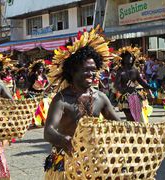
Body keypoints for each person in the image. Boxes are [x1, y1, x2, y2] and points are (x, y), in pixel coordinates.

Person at [43, 27, 120, 179]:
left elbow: (119, 125)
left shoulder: (101, 98)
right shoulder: (62, 99)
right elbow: (48, 131)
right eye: (86, 69)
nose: (91, 74)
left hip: (93, 159)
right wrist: (63, 139)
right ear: (72, 71)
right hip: (66, 161)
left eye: (93, 70)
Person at [114, 47, 154, 122]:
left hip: (135, 96)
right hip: (125, 97)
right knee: (129, 118)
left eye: (131, 57)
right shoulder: (120, 71)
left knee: (137, 118)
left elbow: (141, 81)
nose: (130, 59)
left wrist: (149, 90)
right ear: (123, 59)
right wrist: (122, 91)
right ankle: (131, 131)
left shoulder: (135, 70)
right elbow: (116, 85)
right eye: (128, 57)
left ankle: (137, 131)